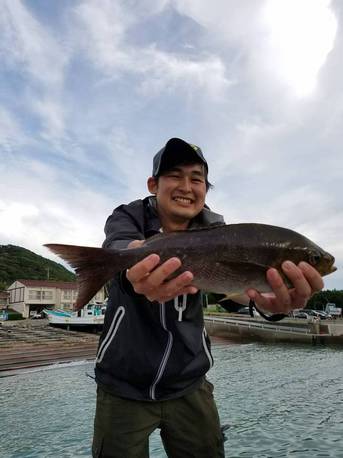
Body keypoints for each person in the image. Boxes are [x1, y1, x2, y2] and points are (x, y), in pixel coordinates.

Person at [92, 138, 324, 458]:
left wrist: (269, 306)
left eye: (197, 178)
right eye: (174, 175)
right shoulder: (128, 216)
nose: (186, 186)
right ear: (153, 184)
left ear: (205, 189)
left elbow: (231, 294)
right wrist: (134, 267)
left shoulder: (218, 229)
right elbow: (117, 248)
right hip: (122, 388)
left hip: (191, 384)